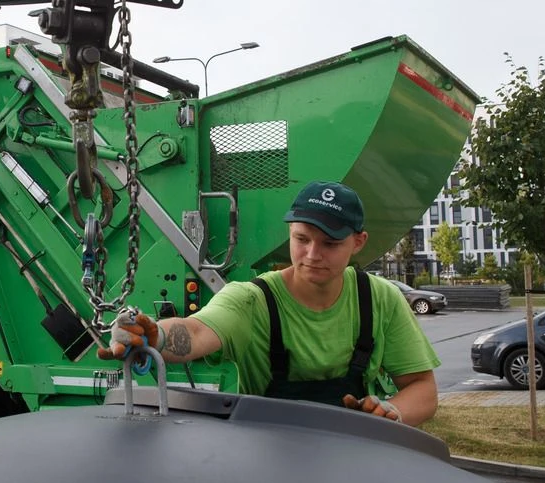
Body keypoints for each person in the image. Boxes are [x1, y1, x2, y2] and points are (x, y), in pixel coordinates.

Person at [99, 180, 440, 426]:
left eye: (330, 244)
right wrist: (154, 336)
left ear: (358, 242)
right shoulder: (252, 300)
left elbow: (422, 389)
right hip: (267, 462)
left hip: (353, 454)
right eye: (302, 239)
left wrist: (392, 412)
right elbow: (196, 331)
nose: (312, 254)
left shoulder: (380, 299)